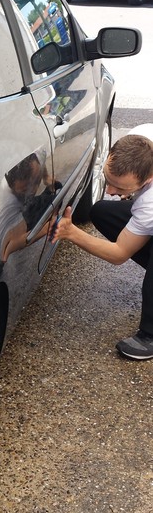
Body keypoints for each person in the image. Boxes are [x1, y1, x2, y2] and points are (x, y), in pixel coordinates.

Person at [51, 124, 153, 360]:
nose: (109, 190)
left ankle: (150, 335)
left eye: (120, 187)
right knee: (102, 211)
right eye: (108, 179)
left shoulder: (150, 203)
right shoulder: (140, 139)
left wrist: (71, 232)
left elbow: (119, 254)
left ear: (148, 179)